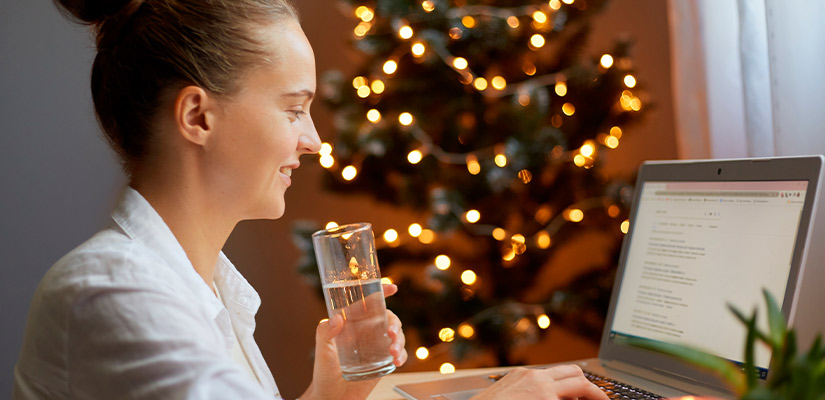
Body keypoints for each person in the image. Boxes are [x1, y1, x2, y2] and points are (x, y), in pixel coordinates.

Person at [13, 0, 609, 399]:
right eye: (294, 109)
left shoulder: (204, 286)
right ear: (198, 115)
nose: (315, 141)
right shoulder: (115, 295)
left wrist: (330, 395)